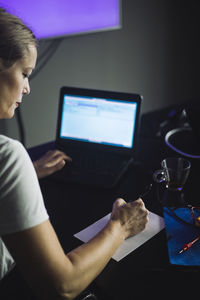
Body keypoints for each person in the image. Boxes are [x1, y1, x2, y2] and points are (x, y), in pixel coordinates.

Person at [0, 7, 149, 300]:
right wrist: (120, 226)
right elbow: (62, 285)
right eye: (24, 73)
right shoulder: (7, 156)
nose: (28, 88)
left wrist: (26, 171)